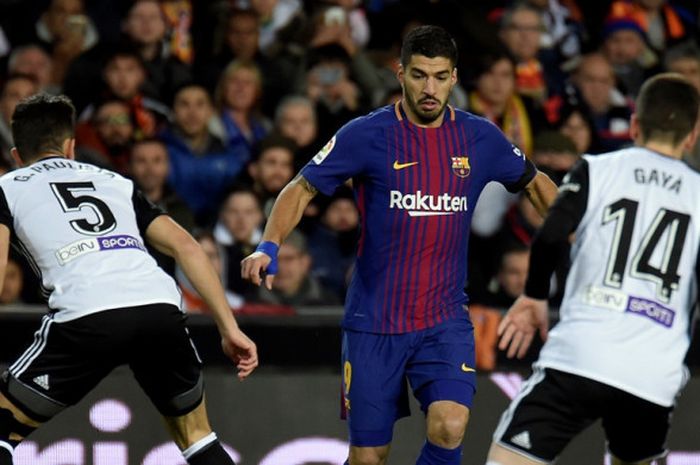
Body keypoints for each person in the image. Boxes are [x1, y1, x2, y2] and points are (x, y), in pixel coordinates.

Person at [242, 25, 557, 465]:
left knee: (449, 425)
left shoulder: (479, 138)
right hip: (374, 322)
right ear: (400, 73)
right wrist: (268, 246)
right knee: (370, 456)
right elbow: (301, 188)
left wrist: (580, 235)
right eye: (419, 75)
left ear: (454, 77)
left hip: (443, 320)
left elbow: (537, 185)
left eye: (440, 76)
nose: (430, 88)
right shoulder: (365, 135)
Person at [0, 94, 257, 465]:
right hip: (158, 308)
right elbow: (187, 246)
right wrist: (228, 328)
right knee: (198, 437)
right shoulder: (115, 181)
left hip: (86, 314)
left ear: (16, 156)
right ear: (71, 147)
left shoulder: (8, 186)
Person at [487, 73, 700, 465]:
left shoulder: (598, 170)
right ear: (692, 136)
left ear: (634, 125)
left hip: (582, 354)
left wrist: (534, 295)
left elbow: (550, 235)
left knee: (508, 460)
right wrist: (681, 361)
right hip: (652, 374)